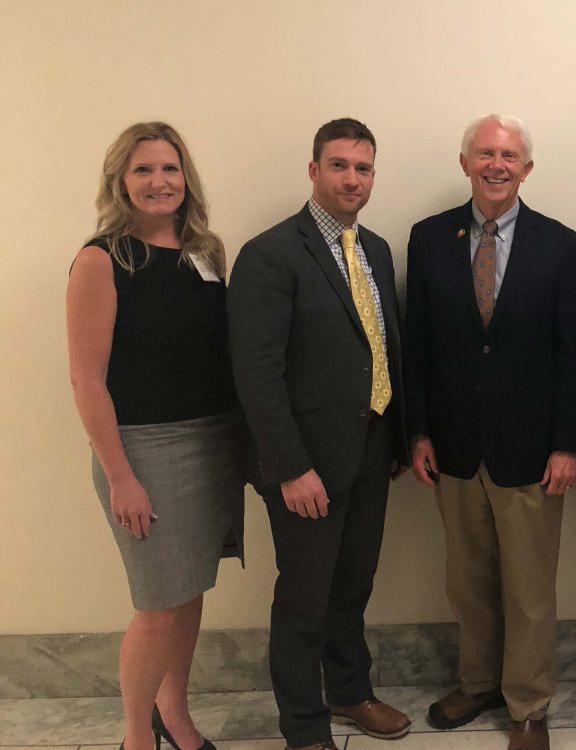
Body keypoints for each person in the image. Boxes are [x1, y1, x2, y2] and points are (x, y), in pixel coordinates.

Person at [404, 114, 576, 750]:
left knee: (530, 588)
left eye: (509, 155)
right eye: (485, 153)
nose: (497, 164)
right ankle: (478, 681)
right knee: (468, 579)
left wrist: (568, 443)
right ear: (465, 163)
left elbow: (575, 352)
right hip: (453, 447)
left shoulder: (559, 244)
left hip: (534, 452)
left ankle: (530, 706)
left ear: (527, 169)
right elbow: (417, 346)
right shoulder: (428, 239)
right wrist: (419, 431)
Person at [227, 118, 410, 749]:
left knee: (352, 588)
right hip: (305, 465)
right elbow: (255, 374)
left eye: (363, 168)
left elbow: (381, 349)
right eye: (339, 166)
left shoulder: (376, 250)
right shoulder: (269, 254)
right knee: (305, 598)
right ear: (313, 171)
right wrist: (289, 468)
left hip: (372, 451)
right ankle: (304, 726)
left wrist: (398, 441)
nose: (352, 179)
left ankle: (351, 693)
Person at [67, 122, 246, 750]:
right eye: (143, 170)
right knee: (157, 605)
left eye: (169, 169)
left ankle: (176, 715)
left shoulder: (205, 251)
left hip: (213, 442)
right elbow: (88, 380)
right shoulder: (101, 259)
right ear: (120, 180)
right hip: (144, 451)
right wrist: (121, 476)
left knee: (190, 590)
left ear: (185, 178)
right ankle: (135, 737)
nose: (158, 181)